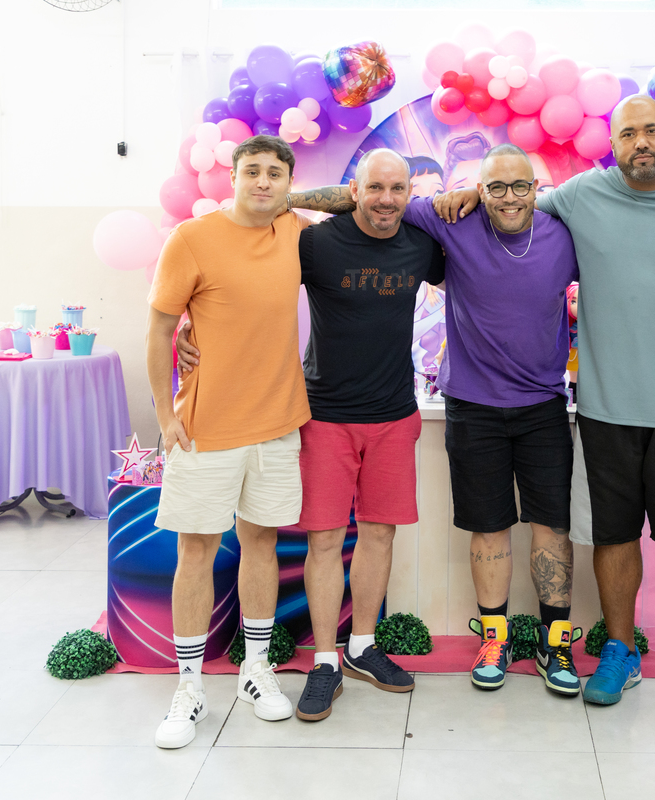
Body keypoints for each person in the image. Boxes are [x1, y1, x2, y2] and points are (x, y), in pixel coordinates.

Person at [434, 95, 655, 721]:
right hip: (603, 406)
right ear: (611, 144)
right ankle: (618, 650)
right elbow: (512, 202)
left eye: (652, 130)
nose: (641, 142)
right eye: (628, 133)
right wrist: (465, 195)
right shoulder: (580, 195)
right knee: (613, 536)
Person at [291, 144, 584, 697]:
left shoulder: (550, 235)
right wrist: (282, 198)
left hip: (522, 405)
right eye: (495, 186)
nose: (509, 197)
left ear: (536, 189)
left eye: (519, 185)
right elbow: (365, 208)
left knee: (547, 526)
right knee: (476, 526)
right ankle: (340, 660)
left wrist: (479, 191)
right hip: (430, 407)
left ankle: (552, 643)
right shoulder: (345, 238)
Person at [176, 149, 446, 722]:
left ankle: (362, 647)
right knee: (325, 540)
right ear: (353, 190)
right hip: (323, 416)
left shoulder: (422, 246)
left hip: (395, 414)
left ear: (410, 193)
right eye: (374, 187)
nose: (386, 200)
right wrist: (187, 323)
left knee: (379, 534)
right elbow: (242, 280)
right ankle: (325, 660)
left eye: (397, 189)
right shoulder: (315, 243)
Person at [147, 135, 310, 748]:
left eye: (275, 173)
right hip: (205, 428)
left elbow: (346, 200)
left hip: (277, 423)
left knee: (261, 543)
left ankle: (255, 670)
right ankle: (189, 687)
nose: (263, 182)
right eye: (252, 171)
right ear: (233, 177)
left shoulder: (295, 231)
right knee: (196, 551)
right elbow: (159, 328)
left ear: (288, 183)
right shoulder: (191, 239)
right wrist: (165, 415)